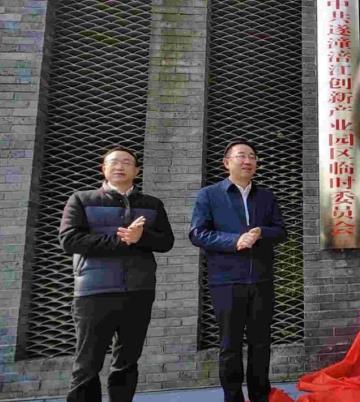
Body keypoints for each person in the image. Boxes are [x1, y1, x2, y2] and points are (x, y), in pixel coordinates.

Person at [60, 147, 174, 402]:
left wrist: (141, 236)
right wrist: (122, 240)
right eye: (113, 162)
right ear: (103, 168)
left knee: (127, 362)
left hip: (139, 291)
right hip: (94, 291)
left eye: (126, 162)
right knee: (87, 364)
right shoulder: (82, 199)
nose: (120, 166)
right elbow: (69, 240)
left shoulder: (152, 204)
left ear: (137, 170)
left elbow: (166, 242)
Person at [189, 140, 286, 402]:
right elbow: (197, 233)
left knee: (261, 343)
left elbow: (281, 231)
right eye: (241, 156)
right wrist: (234, 241)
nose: (247, 161)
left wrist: (261, 232)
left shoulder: (266, 196)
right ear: (226, 163)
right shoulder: (209, 195)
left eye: (252, 156)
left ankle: (260, 396)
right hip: (226, 280)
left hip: (262, 279)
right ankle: (232, 398)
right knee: (229, 345)